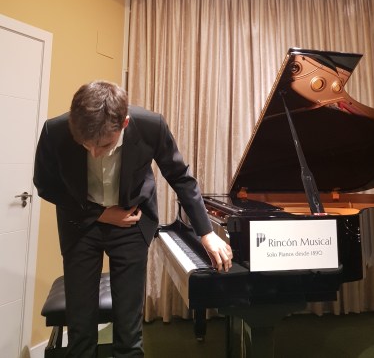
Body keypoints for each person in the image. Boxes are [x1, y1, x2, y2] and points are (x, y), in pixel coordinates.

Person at [33, 80, 233, 358]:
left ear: (124, 123)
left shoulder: (151, 126)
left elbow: (180, 177)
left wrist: (206, 232)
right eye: (85, 145)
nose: (94, 153)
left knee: (129, 333)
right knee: (80, 331)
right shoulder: (55, 130)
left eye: (104, 145)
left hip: (131, 224)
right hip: (80, 225)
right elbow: (45, 185)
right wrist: (101, 214)